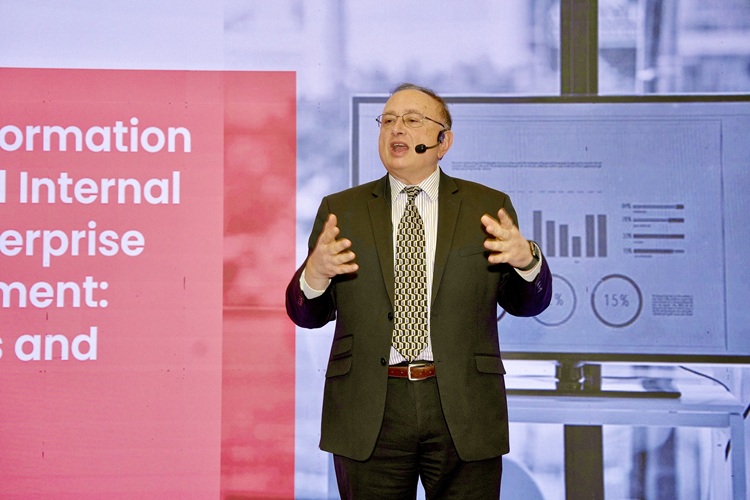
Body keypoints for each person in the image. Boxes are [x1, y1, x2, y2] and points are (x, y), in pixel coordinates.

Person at [286, 83, 552, 499]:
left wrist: (526, 261)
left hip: (463, 403)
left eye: (412, 120)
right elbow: (307, 314)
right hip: (370, 406)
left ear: (443, 142)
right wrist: (315, 275)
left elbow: (526, 304)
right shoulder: (342, 211)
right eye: (388, 121)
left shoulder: (486, 207)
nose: (397, 129)